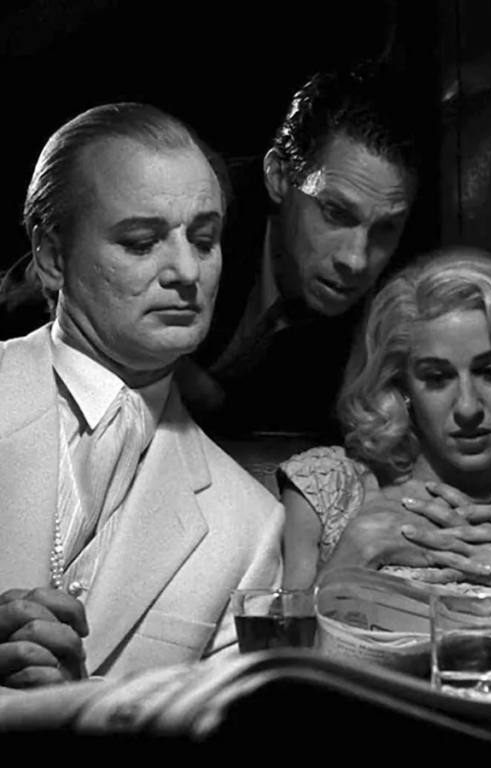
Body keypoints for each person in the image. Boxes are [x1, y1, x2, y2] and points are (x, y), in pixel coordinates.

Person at [0, 103, 283, 690]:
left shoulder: (251, 528)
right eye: (140, 242)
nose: (187, 271)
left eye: (204, 240)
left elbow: (232, 727)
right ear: (51, 257)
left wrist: (83, 708)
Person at [277, 247, 491, 608]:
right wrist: (351, 556)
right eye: (437, 378)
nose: (468, 407)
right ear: (401, 386)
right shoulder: (330, 487)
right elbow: (279, 641)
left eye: (490, 372)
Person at [180, 65, 423, 438]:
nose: (356, 260)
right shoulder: (198, 216)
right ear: (279, 176)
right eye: (335, 213)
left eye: (386, 229)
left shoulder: (392, 309)